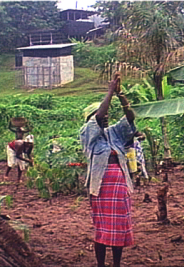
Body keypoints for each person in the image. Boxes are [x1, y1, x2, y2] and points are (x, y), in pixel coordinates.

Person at [80, 74, 136, 267]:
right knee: (103, 228)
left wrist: (120, 95)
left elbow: (130, 117)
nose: (105, 118)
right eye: (100, 116)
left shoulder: (115, 132)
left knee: (118, 227)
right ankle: (101, 264)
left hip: (119, 186)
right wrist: (110, 90)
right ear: (91, 119)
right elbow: (99, 115)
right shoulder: (87, 134)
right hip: (100, 188)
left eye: (106, 116)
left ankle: (117, 264)